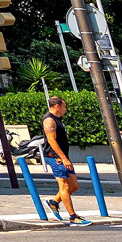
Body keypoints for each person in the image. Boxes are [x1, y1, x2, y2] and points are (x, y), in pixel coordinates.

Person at [40, 96, 89, 225]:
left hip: (63, 157)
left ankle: (54, 203)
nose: (65, 109)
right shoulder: (49, 120)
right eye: (64, 106)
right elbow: (51, 140)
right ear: (57, 106)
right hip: (55, 157)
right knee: (65, 186)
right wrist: (63, 158)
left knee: (74, 185)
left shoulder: (57, 119)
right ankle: (73, 217)